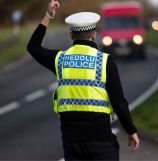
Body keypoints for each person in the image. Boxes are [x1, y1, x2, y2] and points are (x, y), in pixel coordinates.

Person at [27, 0, 140, 160]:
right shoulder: (105, 61)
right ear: (94, 34)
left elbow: (33, 47)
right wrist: (131, 130)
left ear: (71, 35)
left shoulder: (60, 59)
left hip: (72, 141)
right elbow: (118, 101)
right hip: (101, 140)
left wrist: (48, 16)